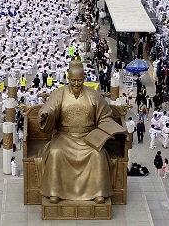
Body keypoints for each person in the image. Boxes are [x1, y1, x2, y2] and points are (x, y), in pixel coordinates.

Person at [37, 59, 127, 204]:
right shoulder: (59, 93)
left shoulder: (93, 95)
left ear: (84, 79)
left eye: (79, 80)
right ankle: (54, 191)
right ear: (68, 79)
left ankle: (98, 192)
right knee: (55, 152)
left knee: (98, 154)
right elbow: (50, 107)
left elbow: (105, 116)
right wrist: (46, 113)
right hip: (64, 136)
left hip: (88, 137)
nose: (76, 84)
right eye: (73, 81)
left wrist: (107, 130)